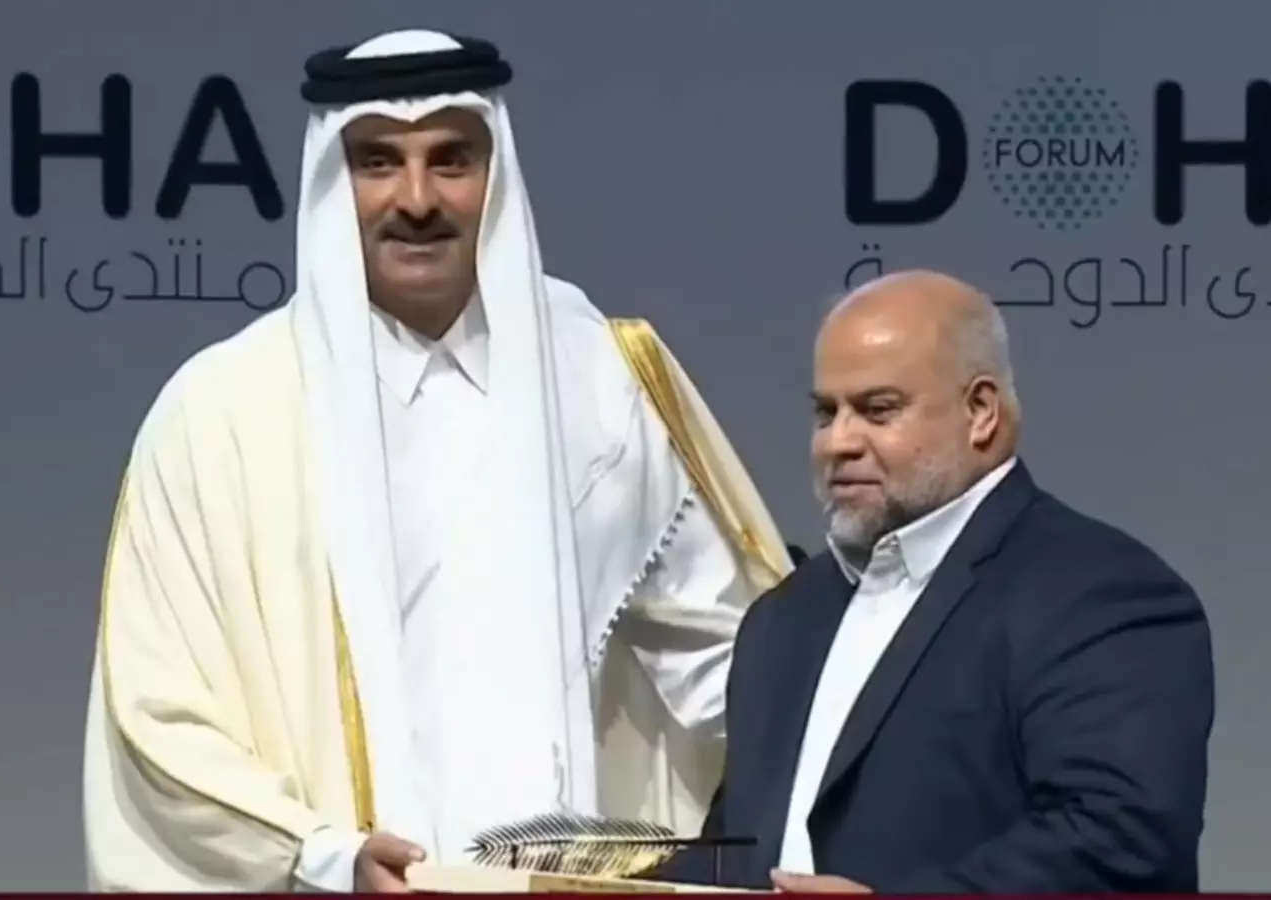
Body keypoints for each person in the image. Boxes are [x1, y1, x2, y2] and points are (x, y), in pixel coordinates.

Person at [80, 28, 795, 893]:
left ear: (497, 175)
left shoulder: (600, 376)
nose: (416, 199)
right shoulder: (221, 413)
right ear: (330, 180)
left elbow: (728, 663)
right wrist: (322, 853)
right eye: (377, 162)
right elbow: (155, 710)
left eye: (451, 160)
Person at [652, 270, 1214, 892]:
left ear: (980, 412)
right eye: (825, 412)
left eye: (878, 410)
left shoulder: (1101, 596)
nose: (839, 442)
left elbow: (1124, 840)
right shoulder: (782, 620)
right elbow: (736, 852)